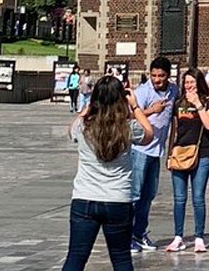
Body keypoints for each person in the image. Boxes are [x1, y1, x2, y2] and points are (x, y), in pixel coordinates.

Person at [62, 74, 155, 271]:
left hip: (84, 199)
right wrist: (136, 107)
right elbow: (149, 135)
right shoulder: (128, 128)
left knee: (76, 257)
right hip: (118, 199)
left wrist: (88, 107)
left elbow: (70, 131)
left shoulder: (83, 126)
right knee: (121, 259)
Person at [164, 69, 209, 253]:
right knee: (179, 199)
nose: (189, 86)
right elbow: (174, 129)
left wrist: (198, 104)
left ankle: (199, 237)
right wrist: (169, 154)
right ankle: (178, 236)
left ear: (199, 83)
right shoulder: (178, 103)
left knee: (198, 198)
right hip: (179, 153)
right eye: (186, 82)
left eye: (192, 82)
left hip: (201, 154)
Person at [129, 56, 177, 254]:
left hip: (157, 150)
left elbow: (174, 117)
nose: (157, 80)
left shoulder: (174, 90)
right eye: (154, 75)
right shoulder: (142, 92)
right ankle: (127, 236)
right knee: (134, 194)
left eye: (161, 76)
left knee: (148, 195)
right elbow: (130, 115)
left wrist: (172, 148)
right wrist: (151, 110)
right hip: (139, 150)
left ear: (168, 75)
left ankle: (139, 233)